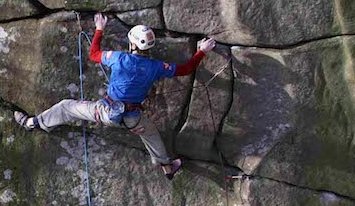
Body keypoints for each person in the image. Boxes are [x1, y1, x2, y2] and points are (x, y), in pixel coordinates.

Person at [13, 13, 215, 179]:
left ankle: (33, 123)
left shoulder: (119, 58)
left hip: (106, 112)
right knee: (151, 134)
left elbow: (94, 54)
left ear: (132, 44)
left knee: (67, 106)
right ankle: (166, 167)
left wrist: (100, 28)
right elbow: (186, 69)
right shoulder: (156, 67)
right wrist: (202, 51)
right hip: (133, 119)